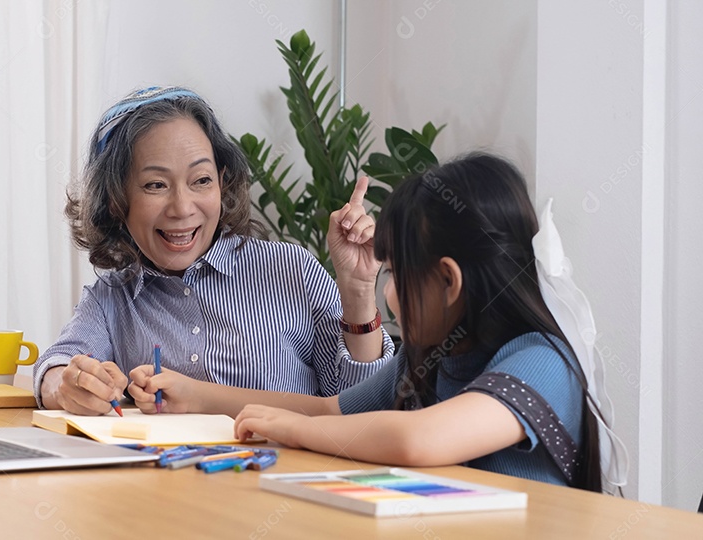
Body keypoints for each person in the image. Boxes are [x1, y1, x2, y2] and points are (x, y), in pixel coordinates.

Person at [129, 152, 621, 491]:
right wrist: (199, 394)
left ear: (448, 281)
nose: (388, 295)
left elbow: (418, 438)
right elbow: (328, 412)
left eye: (398, 275)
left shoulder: (543, 361)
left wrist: (293, 432)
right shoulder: (431, 357)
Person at [34, 86, 395, 415]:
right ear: (116, 200)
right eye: (156, 184)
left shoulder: (291, 269)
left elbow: (363, 408)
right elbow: (57, 364)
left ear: (222, 183)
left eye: (201, 181)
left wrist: (359, 291)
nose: (181, 207)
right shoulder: (111, 300)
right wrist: (68, 385)